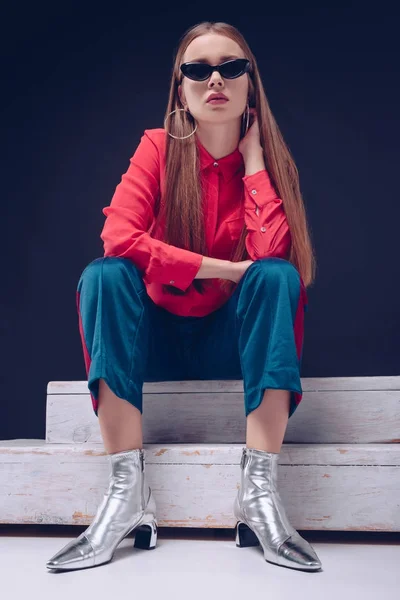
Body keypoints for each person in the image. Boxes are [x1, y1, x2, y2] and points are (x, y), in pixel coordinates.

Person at [46, 20, 321, 572]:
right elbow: (119, 237)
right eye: (197, 69)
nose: (214, 78)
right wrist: (219, 266)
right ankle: (126, 494)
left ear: (250, 84)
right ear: (181, 89)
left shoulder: (268, 167)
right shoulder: (156, 147)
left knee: (276, 277)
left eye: (231, 66)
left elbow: (271, 257)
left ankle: (258, 493)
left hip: (229, 348)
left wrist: (253, 162)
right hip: (153, 345)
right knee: (103, 274)